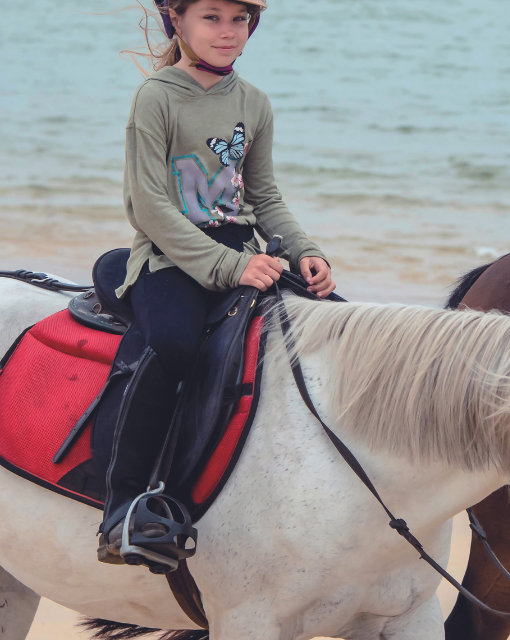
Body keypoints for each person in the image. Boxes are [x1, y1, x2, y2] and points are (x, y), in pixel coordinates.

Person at [92, 0, 336, 571]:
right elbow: (148, 205)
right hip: (171, 258)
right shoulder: (157, 97)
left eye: (239, 19)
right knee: (174, 344)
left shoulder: (254, 102)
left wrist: (306, 251)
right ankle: (123, 506)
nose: (227, 32)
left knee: (328, 329)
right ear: (176, 19)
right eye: (212, 17)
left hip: (244, 250)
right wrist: (228, 270)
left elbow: (264, 197)